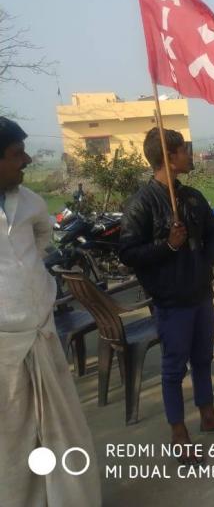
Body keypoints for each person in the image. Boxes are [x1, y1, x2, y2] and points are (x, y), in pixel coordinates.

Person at [120, 127, 214, 466]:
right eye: (184, 150)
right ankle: (179, 432)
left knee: (203, 359)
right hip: (170, 301)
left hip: (200, 295)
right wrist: (168, 246)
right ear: (169, 156)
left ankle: (208, 416)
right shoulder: (141, 203)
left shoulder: (191, 196)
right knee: (174, 368)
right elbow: (129, 253)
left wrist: (204, 264)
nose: (190, 155)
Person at [0, 117, 101, 506]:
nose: (25, 160)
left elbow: (44, 235)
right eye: (15, 154)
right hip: (5, 350)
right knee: (12, 442)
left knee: (62, 431)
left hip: (41, 334)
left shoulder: (29, 201)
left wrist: (32, 271)